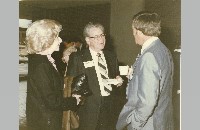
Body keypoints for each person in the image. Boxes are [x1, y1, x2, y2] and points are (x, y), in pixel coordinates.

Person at [116, 11, 174, 130]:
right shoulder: (163, 49)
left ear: (139, 31)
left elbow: (148, 102)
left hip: (148, 124)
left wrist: (136, 123)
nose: (133, 34)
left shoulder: (149, 55)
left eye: (133, 30)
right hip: (162, 119)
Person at [25, 19, 81, 130]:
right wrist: (74, 101)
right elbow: (51, 101)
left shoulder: (42, 59)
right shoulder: (41, 65)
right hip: (46, 123)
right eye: (57, 37)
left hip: (44, 119)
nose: (60, 40)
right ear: (46, 40)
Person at [66, 22, 123, 130]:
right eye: (96, 36)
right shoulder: (78, 57)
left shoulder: (111, 56)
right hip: (88, 110)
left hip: (109, 109)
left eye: (102, 35)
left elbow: (115, 79)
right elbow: (71, 86)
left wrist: (119, 81)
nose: (101, 39)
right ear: (87, 40)